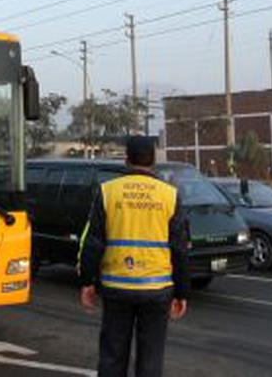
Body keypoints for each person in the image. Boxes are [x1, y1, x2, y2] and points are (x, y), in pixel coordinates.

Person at [78, 136, 189, 377]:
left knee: (112, 356)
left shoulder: (109, 191)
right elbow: (180, 248)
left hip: (117, 286)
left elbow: (93, 241)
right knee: (151, 359)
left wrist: (88, 281)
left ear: (126, 160)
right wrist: (182, 292)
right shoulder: (169, 195)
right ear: (154, 161)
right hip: (157, 288)